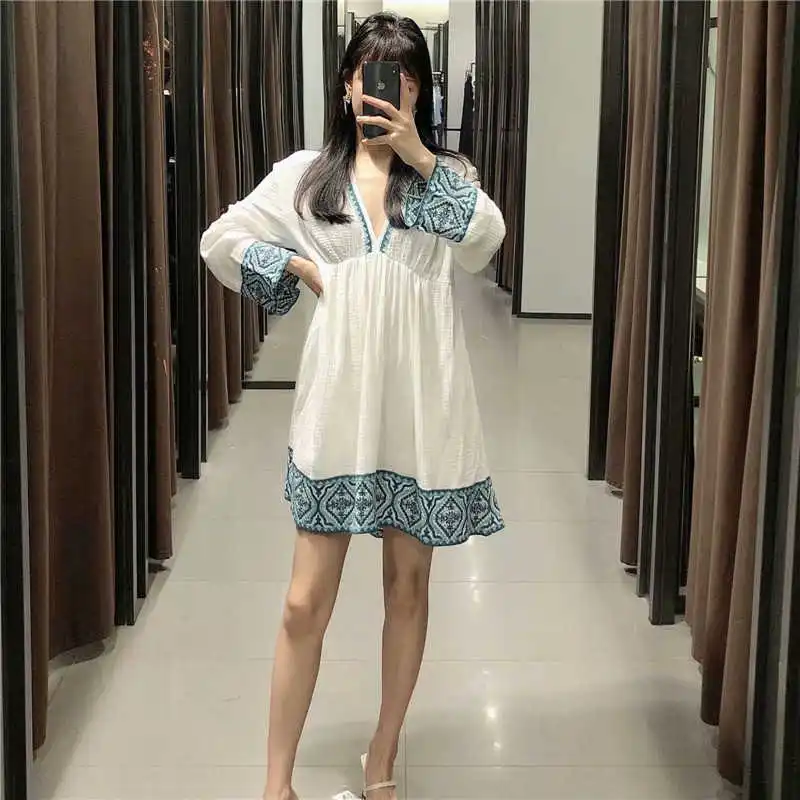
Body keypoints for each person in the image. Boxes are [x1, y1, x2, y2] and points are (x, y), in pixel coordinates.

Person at [200, 12, 505, 800]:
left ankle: (382, 753)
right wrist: (297, 267)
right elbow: (219, 241)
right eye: (372, 73)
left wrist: (420, 156)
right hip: (339, 406)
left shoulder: (446, 175)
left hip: (421, 404)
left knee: (408, 588)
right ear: (346, 85)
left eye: (404, 77)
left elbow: (484, 243)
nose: (386, 90)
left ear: (420, 90)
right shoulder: (309, 178)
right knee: (304, 601)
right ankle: (276, 782)